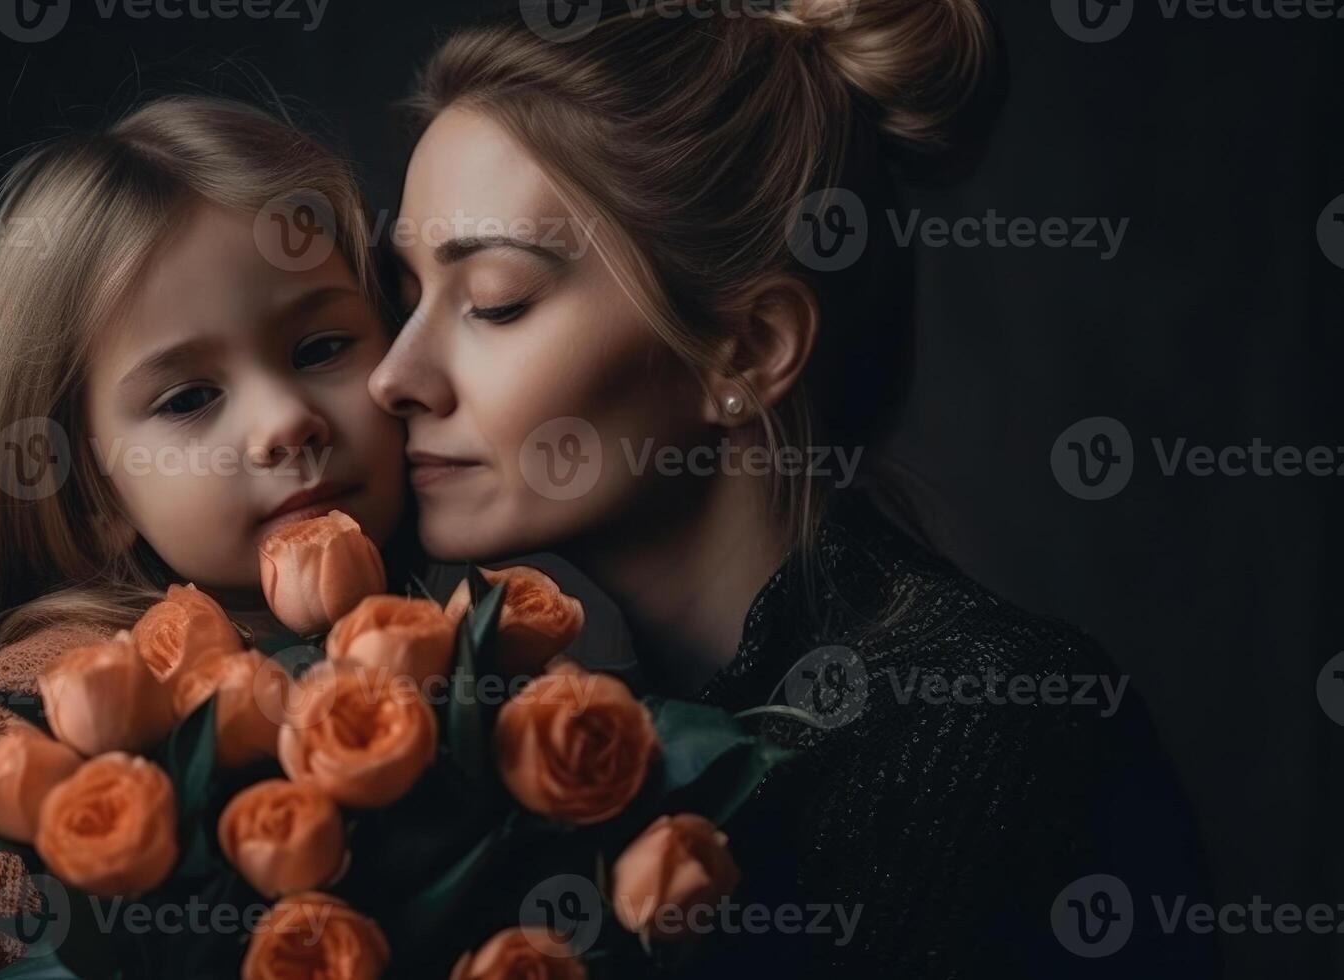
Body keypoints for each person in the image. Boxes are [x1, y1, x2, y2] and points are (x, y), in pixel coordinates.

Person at [369, 2, 1212, 974]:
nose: (394, 374)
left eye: (492, 302)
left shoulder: (1004, 733)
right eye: (404, 296)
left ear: (747, 349)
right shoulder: (538, 741)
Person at [0, 95, 408, 979]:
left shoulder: (458, 612)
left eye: (321, 346)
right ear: (94, 493)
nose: (286, 420)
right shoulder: (69, 683)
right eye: (188, 399)